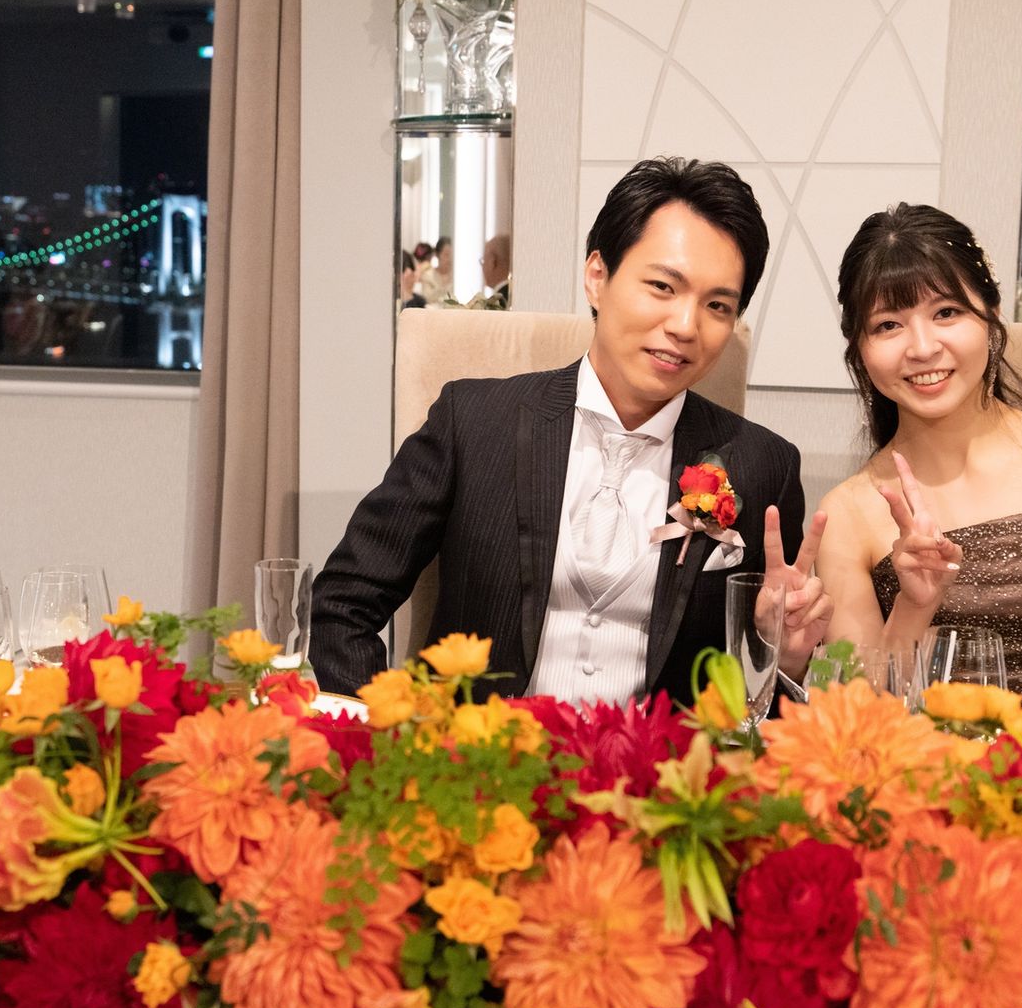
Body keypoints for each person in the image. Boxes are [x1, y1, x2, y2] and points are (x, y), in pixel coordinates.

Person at [310, 157, 830, 704]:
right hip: (482, 750)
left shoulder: (762, 466)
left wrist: (783, 655)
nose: (684, 326)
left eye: (717, 305)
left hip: (662, 757)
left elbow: (756, 701)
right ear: (597, 277)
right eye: (662, 286)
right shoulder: (474, 422)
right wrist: (396, 735)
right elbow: (343, 604)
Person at [817, 203, 1022, 697]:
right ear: (859, 349)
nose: (921, 348)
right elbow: (860, 717)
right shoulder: (847, 515)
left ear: (992, 313)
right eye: (888, 325)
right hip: (927, 749)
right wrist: (914, 608)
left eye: (946, 313)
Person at [419, 235, 453, 304]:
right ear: (437, 255)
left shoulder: (458, 277)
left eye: (452, 255)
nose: (449, 259)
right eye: (446, 254)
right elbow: (426, 299)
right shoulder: (428, 276)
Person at [481, 233, 511, 305]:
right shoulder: (517, 293)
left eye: (483, 261)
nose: (482, 266)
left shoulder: (498, 304)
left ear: (492, 262)